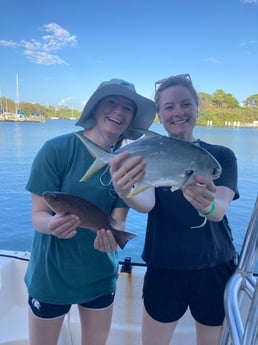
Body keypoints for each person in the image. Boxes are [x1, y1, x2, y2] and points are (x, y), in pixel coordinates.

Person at [110, 74, 239, 345]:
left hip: (215, 265)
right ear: (160, 114)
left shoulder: (221, 156)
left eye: (185, 104)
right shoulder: (148, 153)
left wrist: (208, 203)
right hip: (164, 265)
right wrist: (124, 191)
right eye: (169, 107)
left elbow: (220, 209)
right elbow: (146, 204)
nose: (178, 112)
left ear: (196, 107)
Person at [24, 78, 156, 345]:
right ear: (95, 108)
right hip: (50, 277)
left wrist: (113, 238)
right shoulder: (57, 150)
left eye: (128, 108)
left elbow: (117, 221)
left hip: (99, 276)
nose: (119, 111)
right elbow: (38, 213)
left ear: (131, 120)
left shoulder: (128, 163)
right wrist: (51, 225)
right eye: (111, 101)